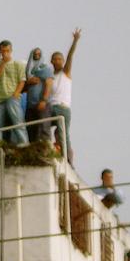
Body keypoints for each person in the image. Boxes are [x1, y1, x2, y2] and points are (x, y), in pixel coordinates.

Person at [50, 28, 81, 161]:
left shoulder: (65, 72)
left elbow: (70, 56)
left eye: (59, 59)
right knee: (42, 126)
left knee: (63, 134)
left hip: (63, 108)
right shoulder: (50, 77)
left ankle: (68, 160)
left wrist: (75, 41)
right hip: (52, 107)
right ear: (51, 62)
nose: (57, 61)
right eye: (55, 59)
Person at [0, 40, 29, 145]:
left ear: (11, 50)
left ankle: (23, 142)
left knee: (17, 120)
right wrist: (3, 63)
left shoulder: (18, 64)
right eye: (3, 51)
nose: (5, 53)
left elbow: (22, 80)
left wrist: (16, 93)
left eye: (7, 50)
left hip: (12, 96)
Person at [24, 47, 54, 142]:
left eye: (38, 54)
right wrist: (28, 82)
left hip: (42, 104)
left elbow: (49, 84)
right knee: (31, 129)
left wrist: (44, 100)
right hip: (30, 105)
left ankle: (45, 149)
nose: (36, 56)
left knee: (44, 128)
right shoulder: (28, 70)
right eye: (35, 54)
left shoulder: (45, 68)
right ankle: (33, 149)